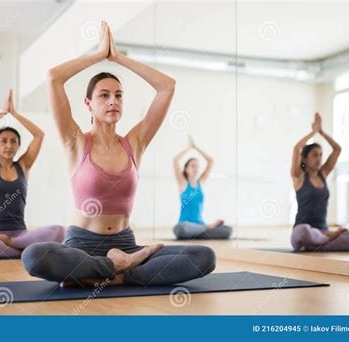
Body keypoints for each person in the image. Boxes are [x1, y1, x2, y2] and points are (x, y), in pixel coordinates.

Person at [22, 21, 215, 287]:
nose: (113, 101)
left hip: (126, 245)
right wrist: (99, 55)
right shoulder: (75, 141)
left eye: (118, 95)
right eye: (104, 95)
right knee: (34, 256)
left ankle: (110, 273)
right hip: (82, 245)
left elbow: (167, 87)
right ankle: (115, 269)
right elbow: (54, 77)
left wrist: (118, 58)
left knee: (203, 256)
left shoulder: (135, 142)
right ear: (88, 104)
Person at [0, 90, 64, 257]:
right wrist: (1, 115)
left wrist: (16, 115)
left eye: (14, 141)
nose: (9, 145)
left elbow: (39, 135)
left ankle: (12, 245)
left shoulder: (24, 166)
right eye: (3, 141)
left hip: (20, 234)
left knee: (59, 231)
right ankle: (22, 251)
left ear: (19, 145)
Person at [290, 112, 349, 251]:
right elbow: (297, 148)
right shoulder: (298, 177)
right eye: (315, 154)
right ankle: (324, 241)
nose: (319, 158)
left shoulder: (323, 174)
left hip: (323, 230)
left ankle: (319, 244)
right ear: (304, 158)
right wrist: (313, 132)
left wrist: (322, 132)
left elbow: (337, 149)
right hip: (302, 232)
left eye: (321, 155)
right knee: (304, 231)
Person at [173, 135, 232, 240]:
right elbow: (175, 160)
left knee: (227, 230)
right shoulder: (183, 183)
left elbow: (210, 161)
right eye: (192, 166)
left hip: (199, 225)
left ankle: (202, 230)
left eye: (197, 166)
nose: (196, 168)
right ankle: (206, 228)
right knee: (179, 229)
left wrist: (196, 147)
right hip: (186, 226)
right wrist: (189, 147)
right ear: (186, 169)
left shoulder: (201, 182)